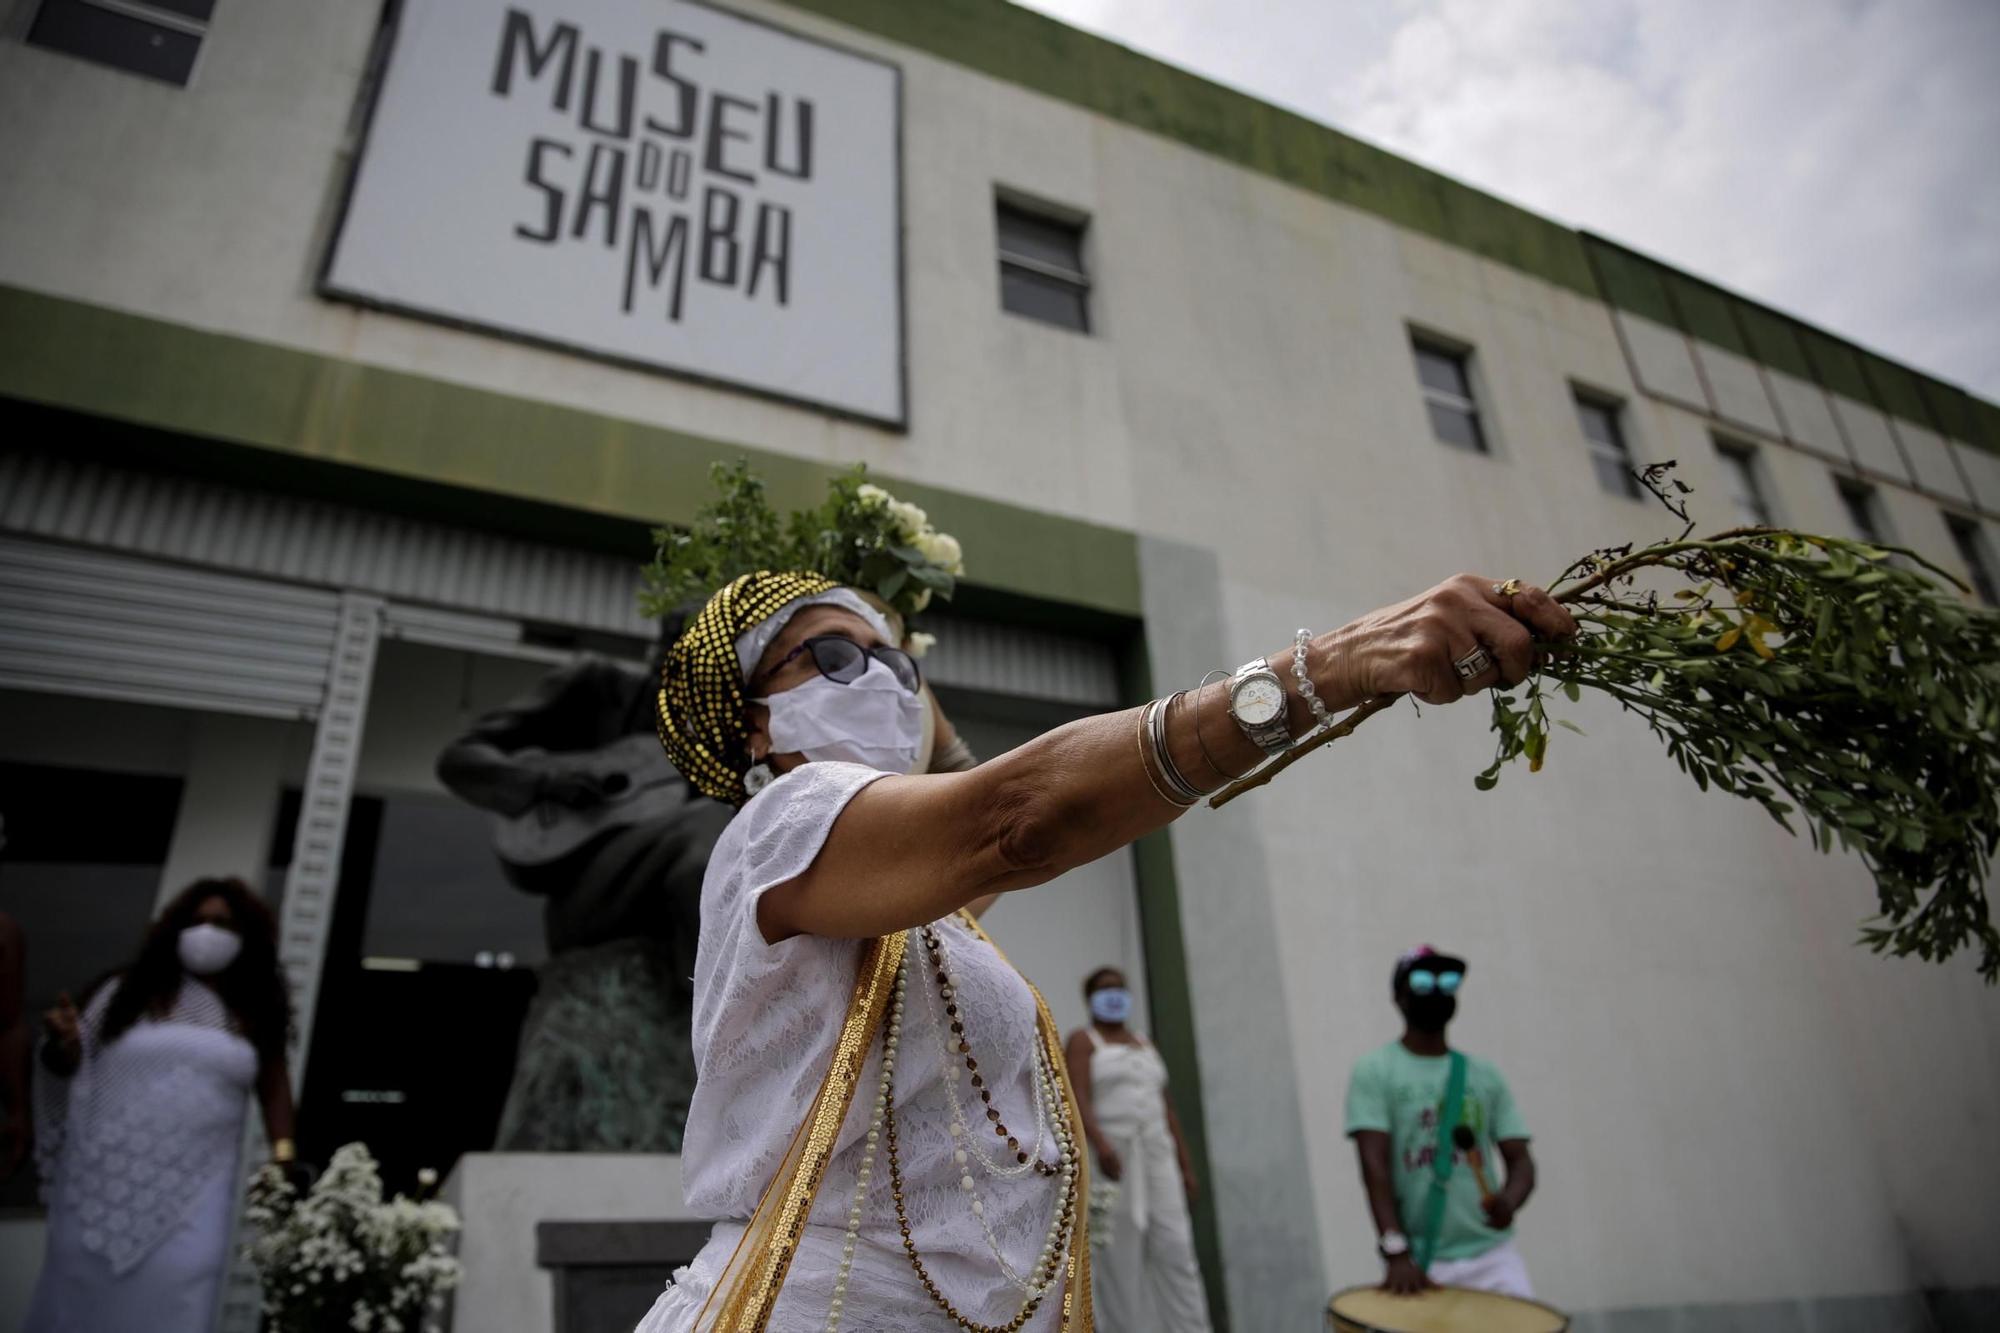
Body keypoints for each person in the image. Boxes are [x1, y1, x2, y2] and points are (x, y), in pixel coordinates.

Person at [631, 568, 1574, 1331]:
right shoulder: (778, 827)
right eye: (833, 654)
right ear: (755, 720)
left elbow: (962, 793)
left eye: (901, 666)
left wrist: (896, 663)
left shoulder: (924, 910)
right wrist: (1331, 666)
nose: (881, 679)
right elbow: (1018, 817)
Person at [26, 877, 298, 1333]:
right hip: (101, 1191)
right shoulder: (121, 995)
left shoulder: (251, 1009)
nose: (206, 932)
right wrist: (61, 1044)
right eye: (195, 921)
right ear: (171, 930)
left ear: (245, 937)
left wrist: (283, 1159)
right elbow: (69, 1064)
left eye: (222, 924)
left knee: (181, 1296)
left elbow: (274, 1089)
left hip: (199, 1195)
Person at [1344, 946, 1537, 1299]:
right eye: (1422, 981)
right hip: (1421, 1261)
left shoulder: (1485, 1075)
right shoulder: (1376, 1071)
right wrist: (1395, 1249)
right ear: (1399, 997)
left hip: (1493, 1257)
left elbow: (1520, 1158)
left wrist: (1509, 1200)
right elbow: (1375, 1168)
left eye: (1447, 982)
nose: (1436, 991)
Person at [1065, 966, 1211, 1331]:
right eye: (1104, 989)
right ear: (1090, 999)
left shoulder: (1145, 1043)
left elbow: (1167, 1109)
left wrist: (1185, 1167)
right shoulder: (1084, 1040)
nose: (1113, 994)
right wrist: (1100, 1144)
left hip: (1157, 1155)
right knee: (1119, 1252)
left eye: (1119, 988)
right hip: (1111, 1159)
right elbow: (1077, 1096)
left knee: (1175, 1245)